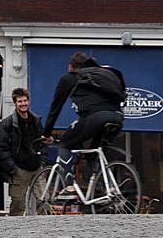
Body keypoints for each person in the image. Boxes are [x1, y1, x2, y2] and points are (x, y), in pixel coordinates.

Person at [43, 53, 126, 191]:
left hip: (95, 117)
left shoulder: (71, 77)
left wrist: (46, 133)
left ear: (71, 67)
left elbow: (55, 108)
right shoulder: (105, 74)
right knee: (94, 152)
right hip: (117, 117)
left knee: (64, 144)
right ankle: (108, 188)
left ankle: (69, 187)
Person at [0, 87, 46, 216]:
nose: (23, 104)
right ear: (15, 103)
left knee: (43, 201)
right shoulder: (7, 123)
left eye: (25, 100)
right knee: (18, 204)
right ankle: (14, 228)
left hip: (37, 167)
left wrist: (42, 161)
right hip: (19, 169)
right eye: (20, 101)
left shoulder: (36, 120)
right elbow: (1, 147)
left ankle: (47, 226)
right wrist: (12, 168)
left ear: (28, 101)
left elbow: (42, 142)